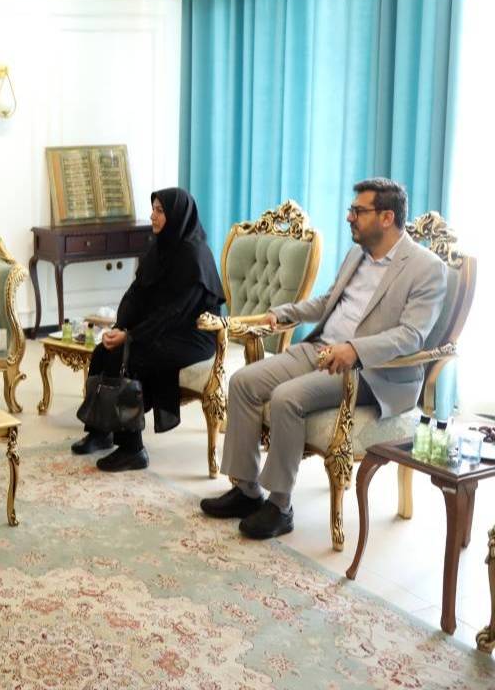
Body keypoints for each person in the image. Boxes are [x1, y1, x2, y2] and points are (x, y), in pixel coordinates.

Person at [201, 178, 447, 540]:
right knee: (243, 382)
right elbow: (328, 302)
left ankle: (280, 506)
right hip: (322, 349)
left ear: (386, 217)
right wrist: (283, 313)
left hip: (372, 371)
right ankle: (247, 491)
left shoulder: (426, 268)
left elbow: (411, 335)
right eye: (351, 210)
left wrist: (355, 350)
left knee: (287, 398)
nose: (349, 217)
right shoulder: (357, 254)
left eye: (358, 211)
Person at [71, 188, 225, 471]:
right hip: (162, 328)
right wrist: (121, 326)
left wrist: (131, 336)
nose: (153, 216)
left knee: (131, 356)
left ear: (177, 215)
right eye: (153, 209)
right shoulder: (160, 247)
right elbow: (136, 293)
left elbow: (176, 312)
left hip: (193, 334)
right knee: (103, 351)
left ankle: (133, 449)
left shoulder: (195, 255)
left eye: (160, 211)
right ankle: (101, 430)